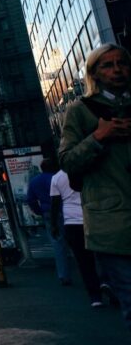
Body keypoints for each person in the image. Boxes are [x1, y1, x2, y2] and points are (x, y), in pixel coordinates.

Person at [59, 43, 131, 329]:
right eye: (107, 65)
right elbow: (67, 161)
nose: (116, 70)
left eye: (121, 63)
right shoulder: (80, 110)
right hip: (111, 222)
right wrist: (99, 136)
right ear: (94, 74)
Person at [50, 169, 103, 306]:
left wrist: (54, 224)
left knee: (84, 261)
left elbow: (55, 203)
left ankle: (95, 295)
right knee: (104, 255)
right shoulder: (87, 171)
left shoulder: (56, 178)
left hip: (72, 221)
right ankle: (107, 282)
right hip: (93, 217)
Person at [27, 157, 72, 285]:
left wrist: (39, 211)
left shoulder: (35, 181)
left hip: (48, 212)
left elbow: (30, 199)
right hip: (66, 210)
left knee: (58, 244)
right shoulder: (60, 178)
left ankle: (64, 275)